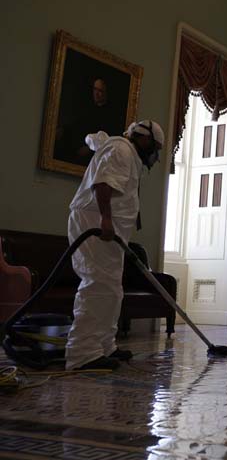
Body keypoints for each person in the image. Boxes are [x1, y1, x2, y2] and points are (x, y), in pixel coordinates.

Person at [65, 120, 164, 370]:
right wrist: (106, 220)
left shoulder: (123, 151)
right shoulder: (121, 150)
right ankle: (82, 353)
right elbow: (102, 184)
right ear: (144, 139)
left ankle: (104, 345)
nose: (154, 154)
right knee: (97, 284)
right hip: (96, 224)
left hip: (111, 231)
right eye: (155, 147)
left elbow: (96, 143)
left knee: (111, 287)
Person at [55, 78, 127, 166]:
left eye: (100, 91)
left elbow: (109, 138)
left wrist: (90, 148)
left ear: (106, 93)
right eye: (95, 89)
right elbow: (77, 124)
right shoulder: (89, 108)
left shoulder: (112, 114)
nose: (96, 93)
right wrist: (62, 129)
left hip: (95, 155)